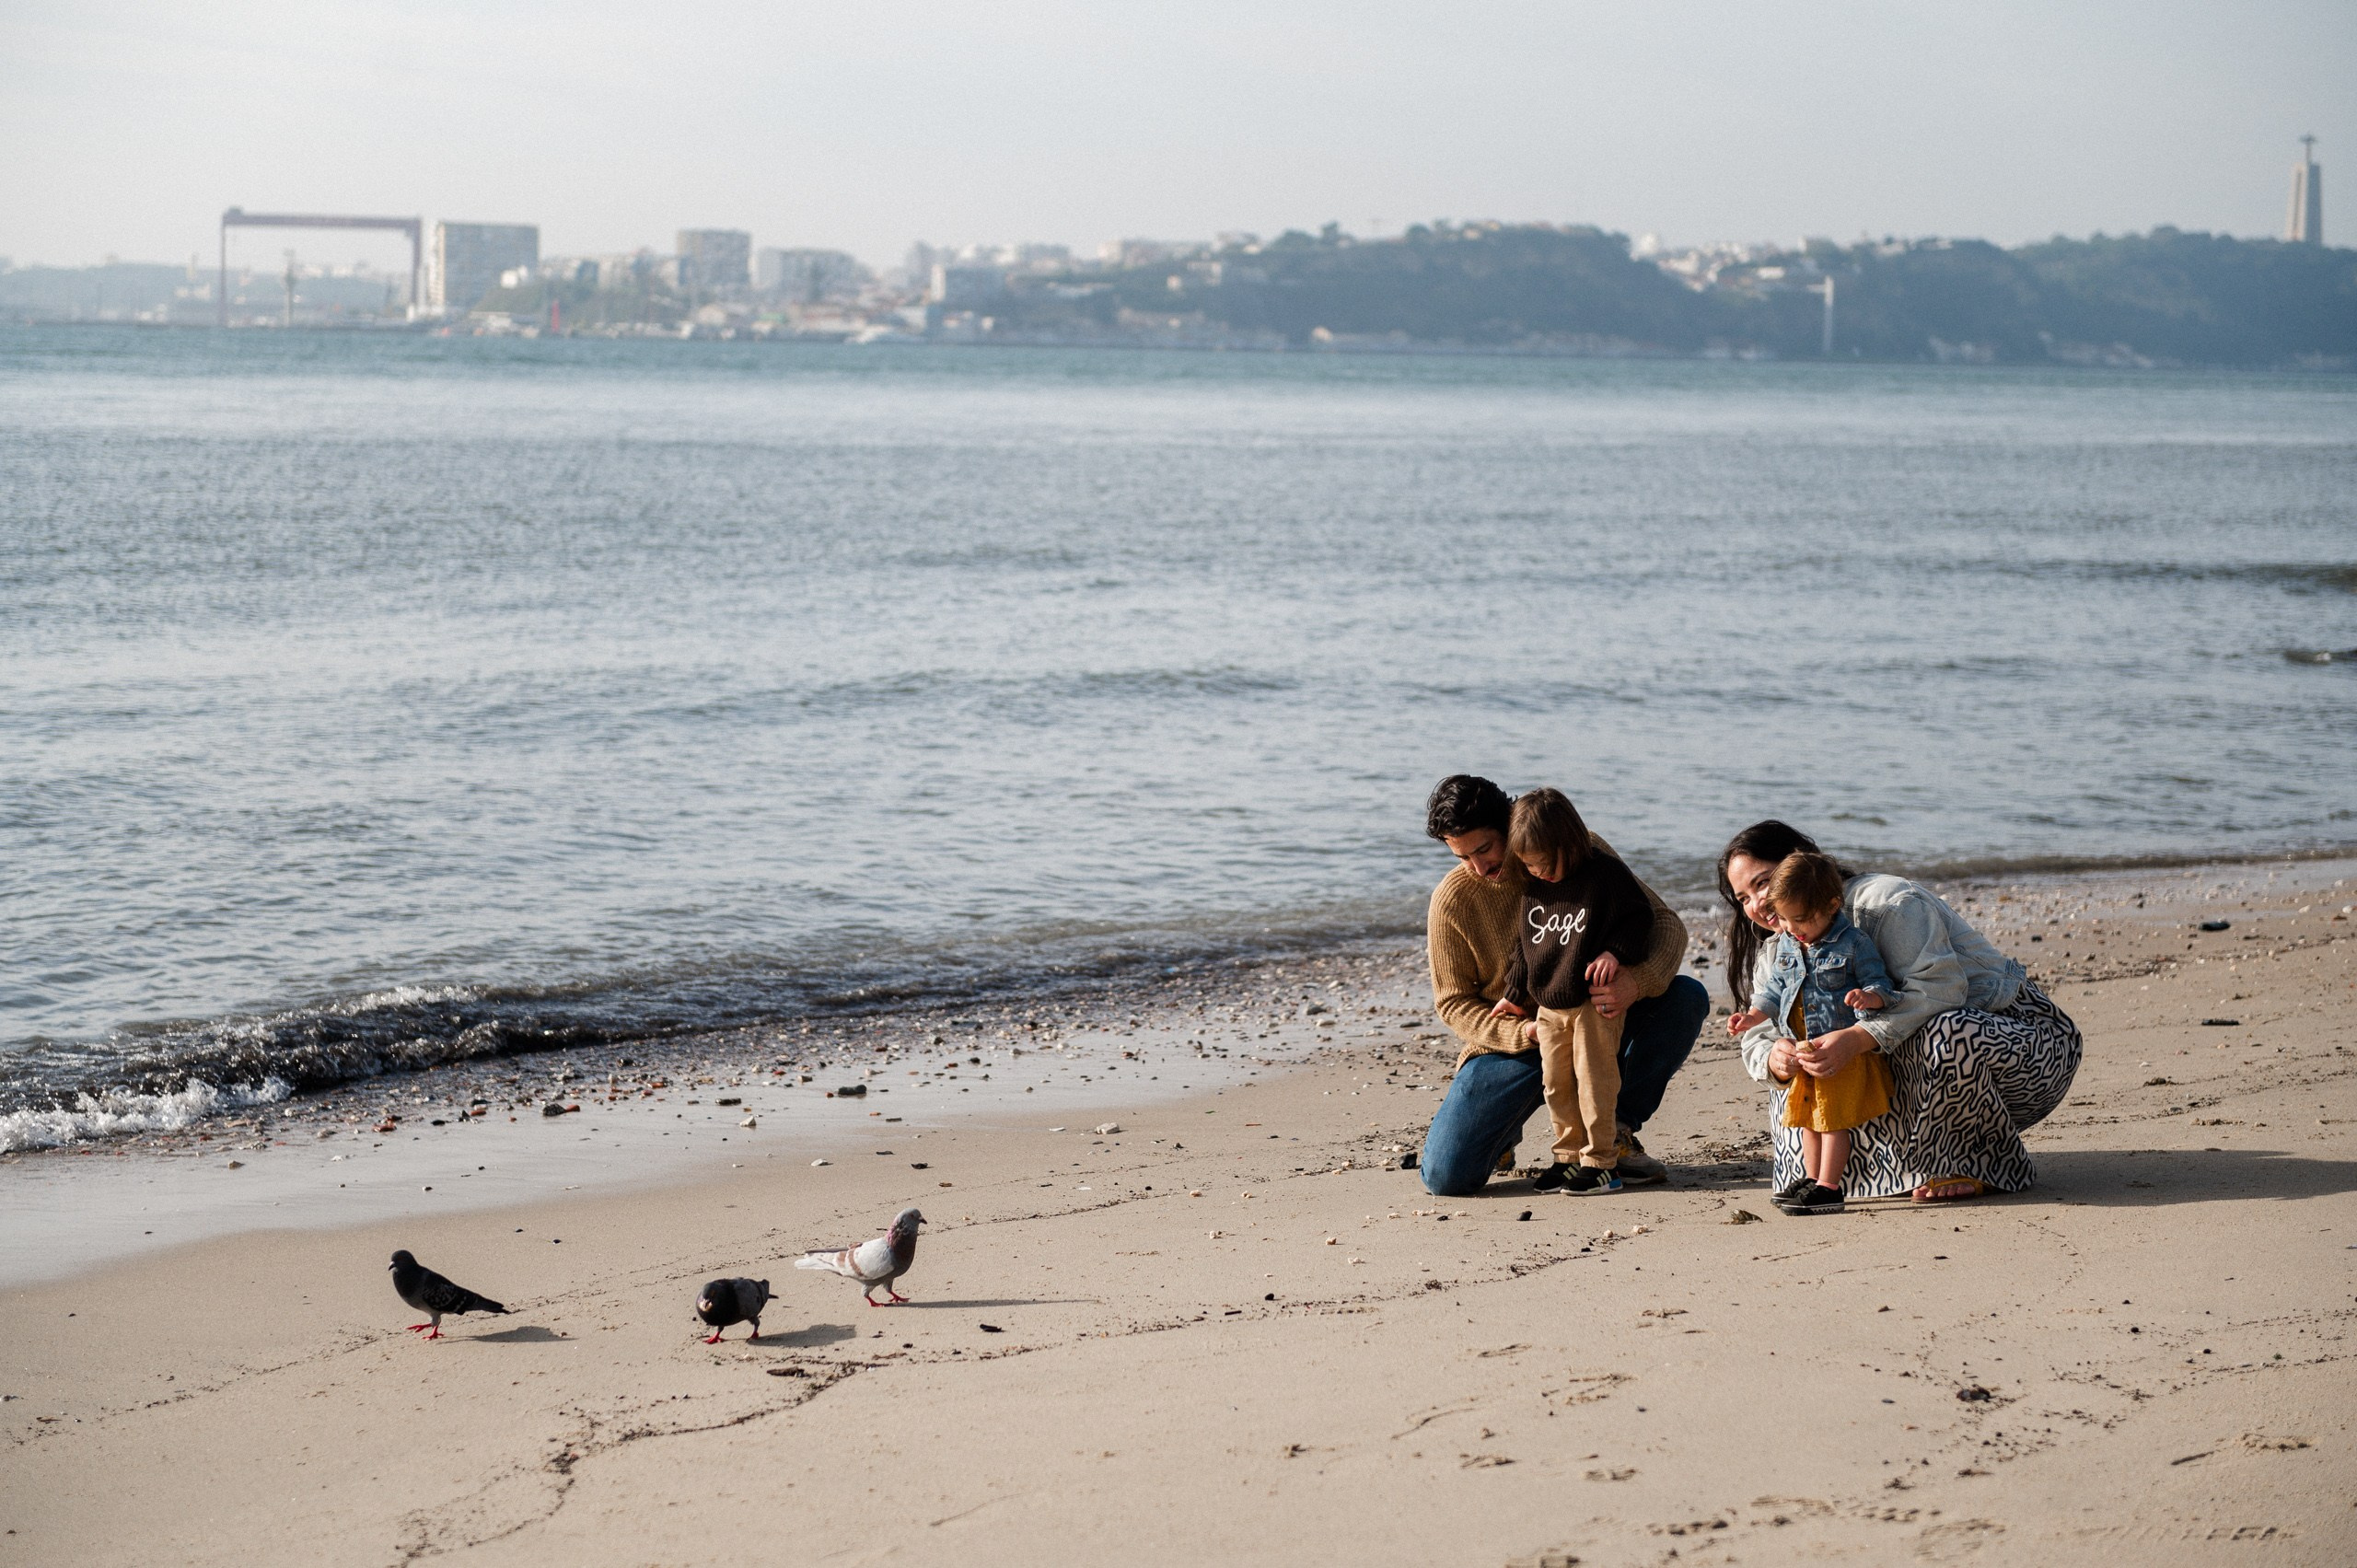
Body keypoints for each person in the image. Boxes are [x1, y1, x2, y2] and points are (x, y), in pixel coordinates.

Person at [1718, 821, 2084, 1203]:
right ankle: (1838, 1180)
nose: (1756, 905)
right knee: (1802, 1076)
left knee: (1948, 1032)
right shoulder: (1780, 949)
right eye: (1742, 898)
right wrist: (1777, 1059)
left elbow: (1943, 990)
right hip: (1914, 1063)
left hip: (2022, 1048)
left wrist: (1857, 1039)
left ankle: (1979, 1162)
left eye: (1762, 883)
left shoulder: (1886, 902)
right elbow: (1760, 1037)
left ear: (1801, 865)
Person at [1420, 775, 1711, 1198]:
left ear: (1511, 824)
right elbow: (1452, 1003)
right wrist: (1520, 1033)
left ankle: (1613, 1135)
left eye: (1484, 849)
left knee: (1685, 997)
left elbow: (1663, 922)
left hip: (1597, 1018)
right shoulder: (1453, 899)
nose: (1480, 868)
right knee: (1446, 1177)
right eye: (1463, 857)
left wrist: (1636, 982)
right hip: (1521, 1044)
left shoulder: (1577, 850)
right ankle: (1505, 1138)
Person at [1490, 789, 1657, 1195]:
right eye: (1529, 865)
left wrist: (1614, 954)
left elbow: (1640, 920)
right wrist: (1514, 993)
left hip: (1591, 1004)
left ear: (1570, 842)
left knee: (1594, 1081)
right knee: (1556, 1084)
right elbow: (1526, 947)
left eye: (1546, 863)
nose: (1539, 872)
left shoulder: (1606, 875)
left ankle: (1601, 1162)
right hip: (1549, 1006)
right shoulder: (1534, 886)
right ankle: (1567, 1158)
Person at [1725, 852, 1895, 1215]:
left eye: (1801, 919)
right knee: (1807, 1120)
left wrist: (1869, 997)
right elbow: (1774, 990)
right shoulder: (1789, 942)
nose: (1792, 928)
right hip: (1803, 1049)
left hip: (1838, 1051)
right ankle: (1810, 1177)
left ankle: (1829, 1188)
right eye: (1785, 919)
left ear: (1833, 905)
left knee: (1833, 1121)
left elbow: (1881, 982)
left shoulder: (1853, 943)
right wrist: (1753, 1016)